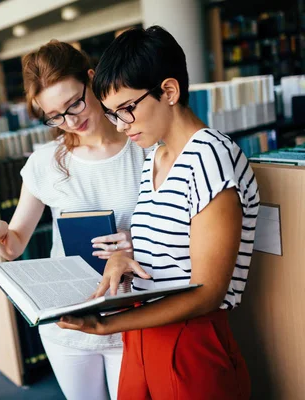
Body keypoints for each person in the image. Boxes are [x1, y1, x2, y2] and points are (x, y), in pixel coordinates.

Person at [57, 26, 259, 400]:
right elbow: (173, 249)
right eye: (112, 114)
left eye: (126, 109)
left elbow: (207, 293)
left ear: (168, 91)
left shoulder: (211, 156)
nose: (120, 125)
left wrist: (109, 325)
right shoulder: (155, 156)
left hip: (190, 341)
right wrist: (125, 256)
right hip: (143, 335)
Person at [0, 40, 150, 400]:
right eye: (55, 115)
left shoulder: (144, 146)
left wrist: (139, 238)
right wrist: (1, 232)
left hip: (134, 316)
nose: (71, 120)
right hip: (69, 322)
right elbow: (14, 244)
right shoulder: (46, 162)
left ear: (91, 79)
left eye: (74, 103)